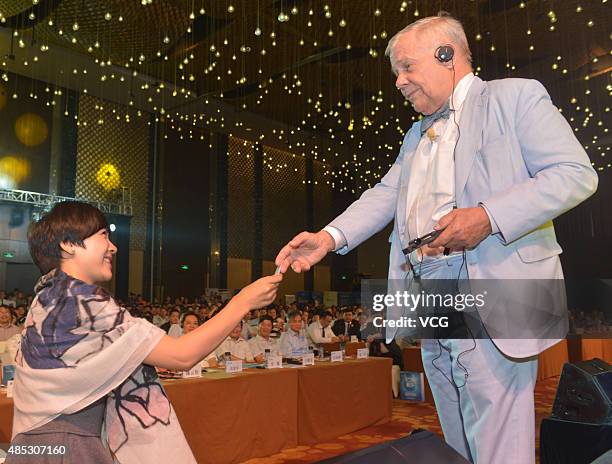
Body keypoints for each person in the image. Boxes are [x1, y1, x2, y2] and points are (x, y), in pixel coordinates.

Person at [275, 12, 597, 464]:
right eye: (396, 73)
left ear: (447, 55)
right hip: (427, 291)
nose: (399, 82)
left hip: (492, 284)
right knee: (453, 431)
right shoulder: (415, 133)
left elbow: (575, 175)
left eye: (407, 67)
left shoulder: (515, 97)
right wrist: (328, 238)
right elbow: (386, 193)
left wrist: (488, 217)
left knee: (498, 439)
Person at [8, 201, 281, 464]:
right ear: (68, 244)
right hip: (68, 449)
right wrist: (243, 301)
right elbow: (182, 355)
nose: (113, 247)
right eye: (103, 235)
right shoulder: (83, 300)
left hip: (32, 445)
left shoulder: (46, 297)